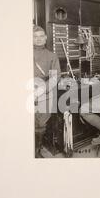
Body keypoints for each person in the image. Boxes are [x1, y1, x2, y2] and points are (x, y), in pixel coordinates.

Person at [33, 25, 61, 158]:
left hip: (43, 92)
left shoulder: (51, 56)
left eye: (41, 36)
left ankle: (36, 151)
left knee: (40, 126)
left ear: (46, 38)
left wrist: (41, 90)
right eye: (35, 36)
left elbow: (55, 77)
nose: (38, 39)